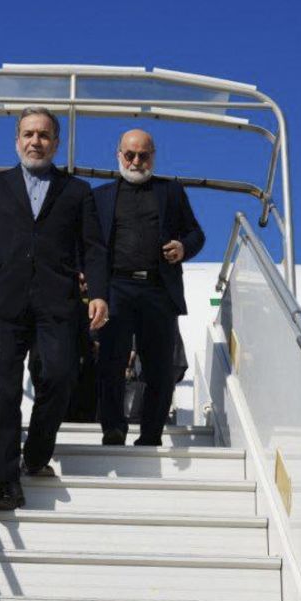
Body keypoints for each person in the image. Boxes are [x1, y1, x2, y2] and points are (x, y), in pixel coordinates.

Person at [0, 107, 109, 511]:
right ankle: (6, 481)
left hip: (57, 302)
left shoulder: (77, 191)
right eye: (27, 134)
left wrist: (99, 294)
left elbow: (93, 248)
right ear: (16, 140)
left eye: (43, 135)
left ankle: (36, 453)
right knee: (4, 389)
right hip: (3, 300)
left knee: (59, 376)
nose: (34, 141)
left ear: (56, 143)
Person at [93, 129, 204, 446]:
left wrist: (183, 248)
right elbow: (87, 244)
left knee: (159, 367)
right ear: (118, 155)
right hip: (116, 288)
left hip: (158, 289)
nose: (136, 161)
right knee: (111, 362)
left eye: (143, 155)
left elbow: (196, 234)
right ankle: (113, 428)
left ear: (153, 156)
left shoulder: (171, 192)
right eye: (130, 155)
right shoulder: (99, 197)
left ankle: (151, 433)